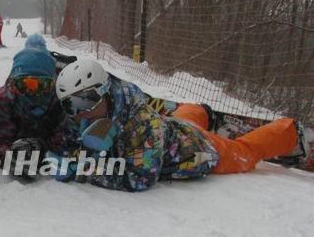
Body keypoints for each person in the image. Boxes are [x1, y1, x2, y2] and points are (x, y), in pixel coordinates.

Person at [54, 58, 309, 191]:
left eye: (86, 101)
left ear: (107, 92)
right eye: (71, 105)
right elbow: (66, 146)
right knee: (182, 122)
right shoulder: (82, 119)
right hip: (172, 128)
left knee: (244, 153)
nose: (81, 113)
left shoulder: (142, 123)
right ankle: (199, 112)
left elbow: (140, 177)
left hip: (194, 151)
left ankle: (289, 131)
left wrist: (83, 171)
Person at [0, 34, 67, 179]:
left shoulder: (60, 102)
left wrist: (42, 150)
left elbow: (63, 141)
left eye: (40, 86)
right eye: (25, 85)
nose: (32, 93)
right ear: (14, 83)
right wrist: (9, 156)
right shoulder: (2, 99)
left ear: (52, 84)